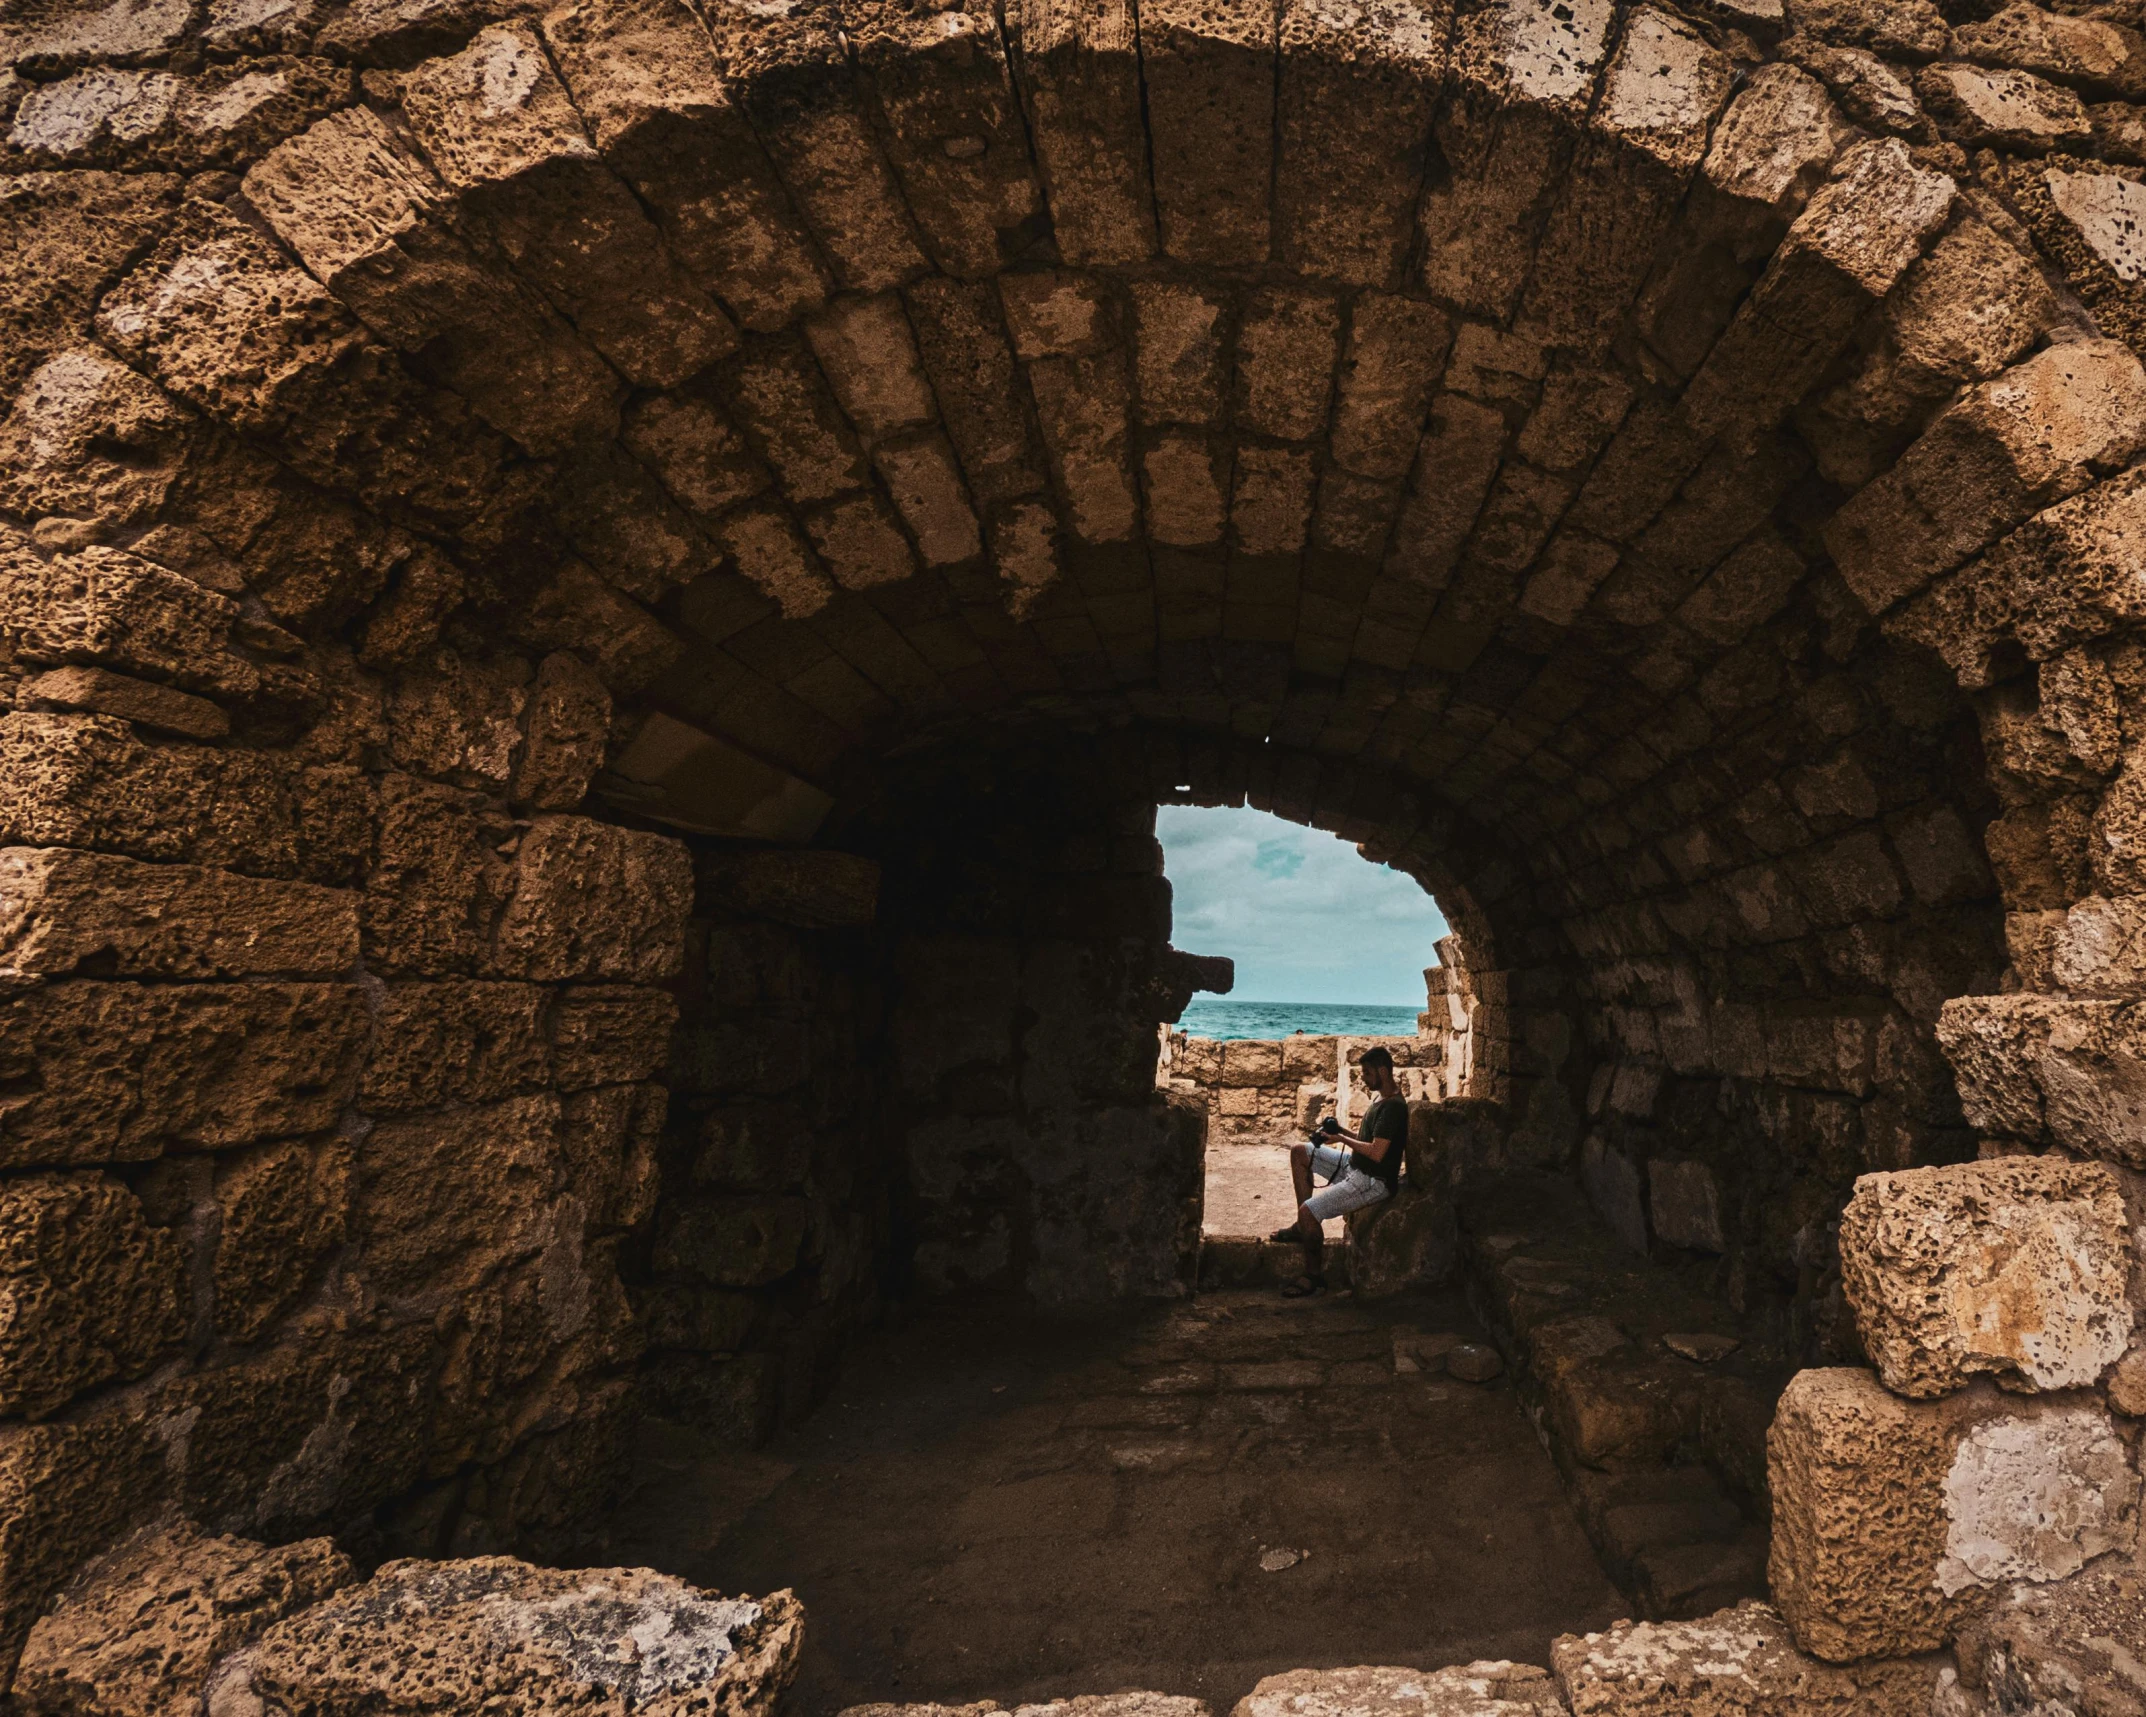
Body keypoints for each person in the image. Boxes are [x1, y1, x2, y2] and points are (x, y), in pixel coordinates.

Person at [1270, 1045, 1408, 1297]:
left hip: (1371, 1180)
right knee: (1300, 1151)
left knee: (1310, 1211)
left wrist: (1343, 1141)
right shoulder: (1381, 1099)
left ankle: (1313, 1276)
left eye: (1367, 1073)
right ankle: (1304, 1226)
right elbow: (1372, 1142)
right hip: (1354, 1165)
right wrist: (1341, 1132)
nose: (1363, 1079)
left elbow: (1377, 1153)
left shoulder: (1394, 1108)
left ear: (1383, 1071)